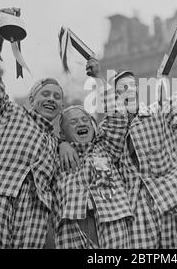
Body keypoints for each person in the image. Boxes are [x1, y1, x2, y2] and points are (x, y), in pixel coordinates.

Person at [0, 7, 77, 249]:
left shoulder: (56, 143)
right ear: (31, 99)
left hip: (34, 217)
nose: (52, 99)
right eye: (45, 94)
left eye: (57, 97)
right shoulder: (8, 112)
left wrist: (64, 142)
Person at [104, 22, 177, 248]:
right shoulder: (106, 133)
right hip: (136, 215)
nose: (128, 91)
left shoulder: (161, 113)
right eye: (120, 89)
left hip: (173, 203)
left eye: (131, 86)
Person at [55, 104, 133, 249]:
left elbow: (118, 119)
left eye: (85, 119)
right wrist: (60, 145)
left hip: (112, 221)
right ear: (62, 134)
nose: (81, 123)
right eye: (73, 122)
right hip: (73, 227)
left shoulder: (105, 149)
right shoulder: (56, 157)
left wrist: (103, 83)